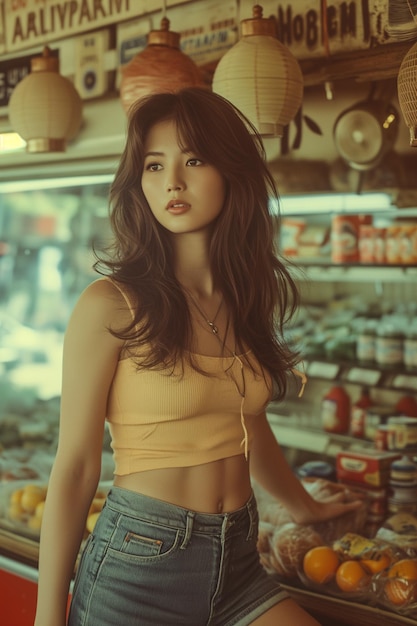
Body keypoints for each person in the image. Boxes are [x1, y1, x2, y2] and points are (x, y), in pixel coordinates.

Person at [34, 87, 361, 626]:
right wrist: (48, 619)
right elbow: (73, 468)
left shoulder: (243, 298)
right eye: (154, 166)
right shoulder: (110, 304)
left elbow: (247, 424)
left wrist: (306, 508)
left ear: (230, 170)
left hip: (238, 560)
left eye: (193, 159)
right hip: (140, 566)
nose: (173, 183)